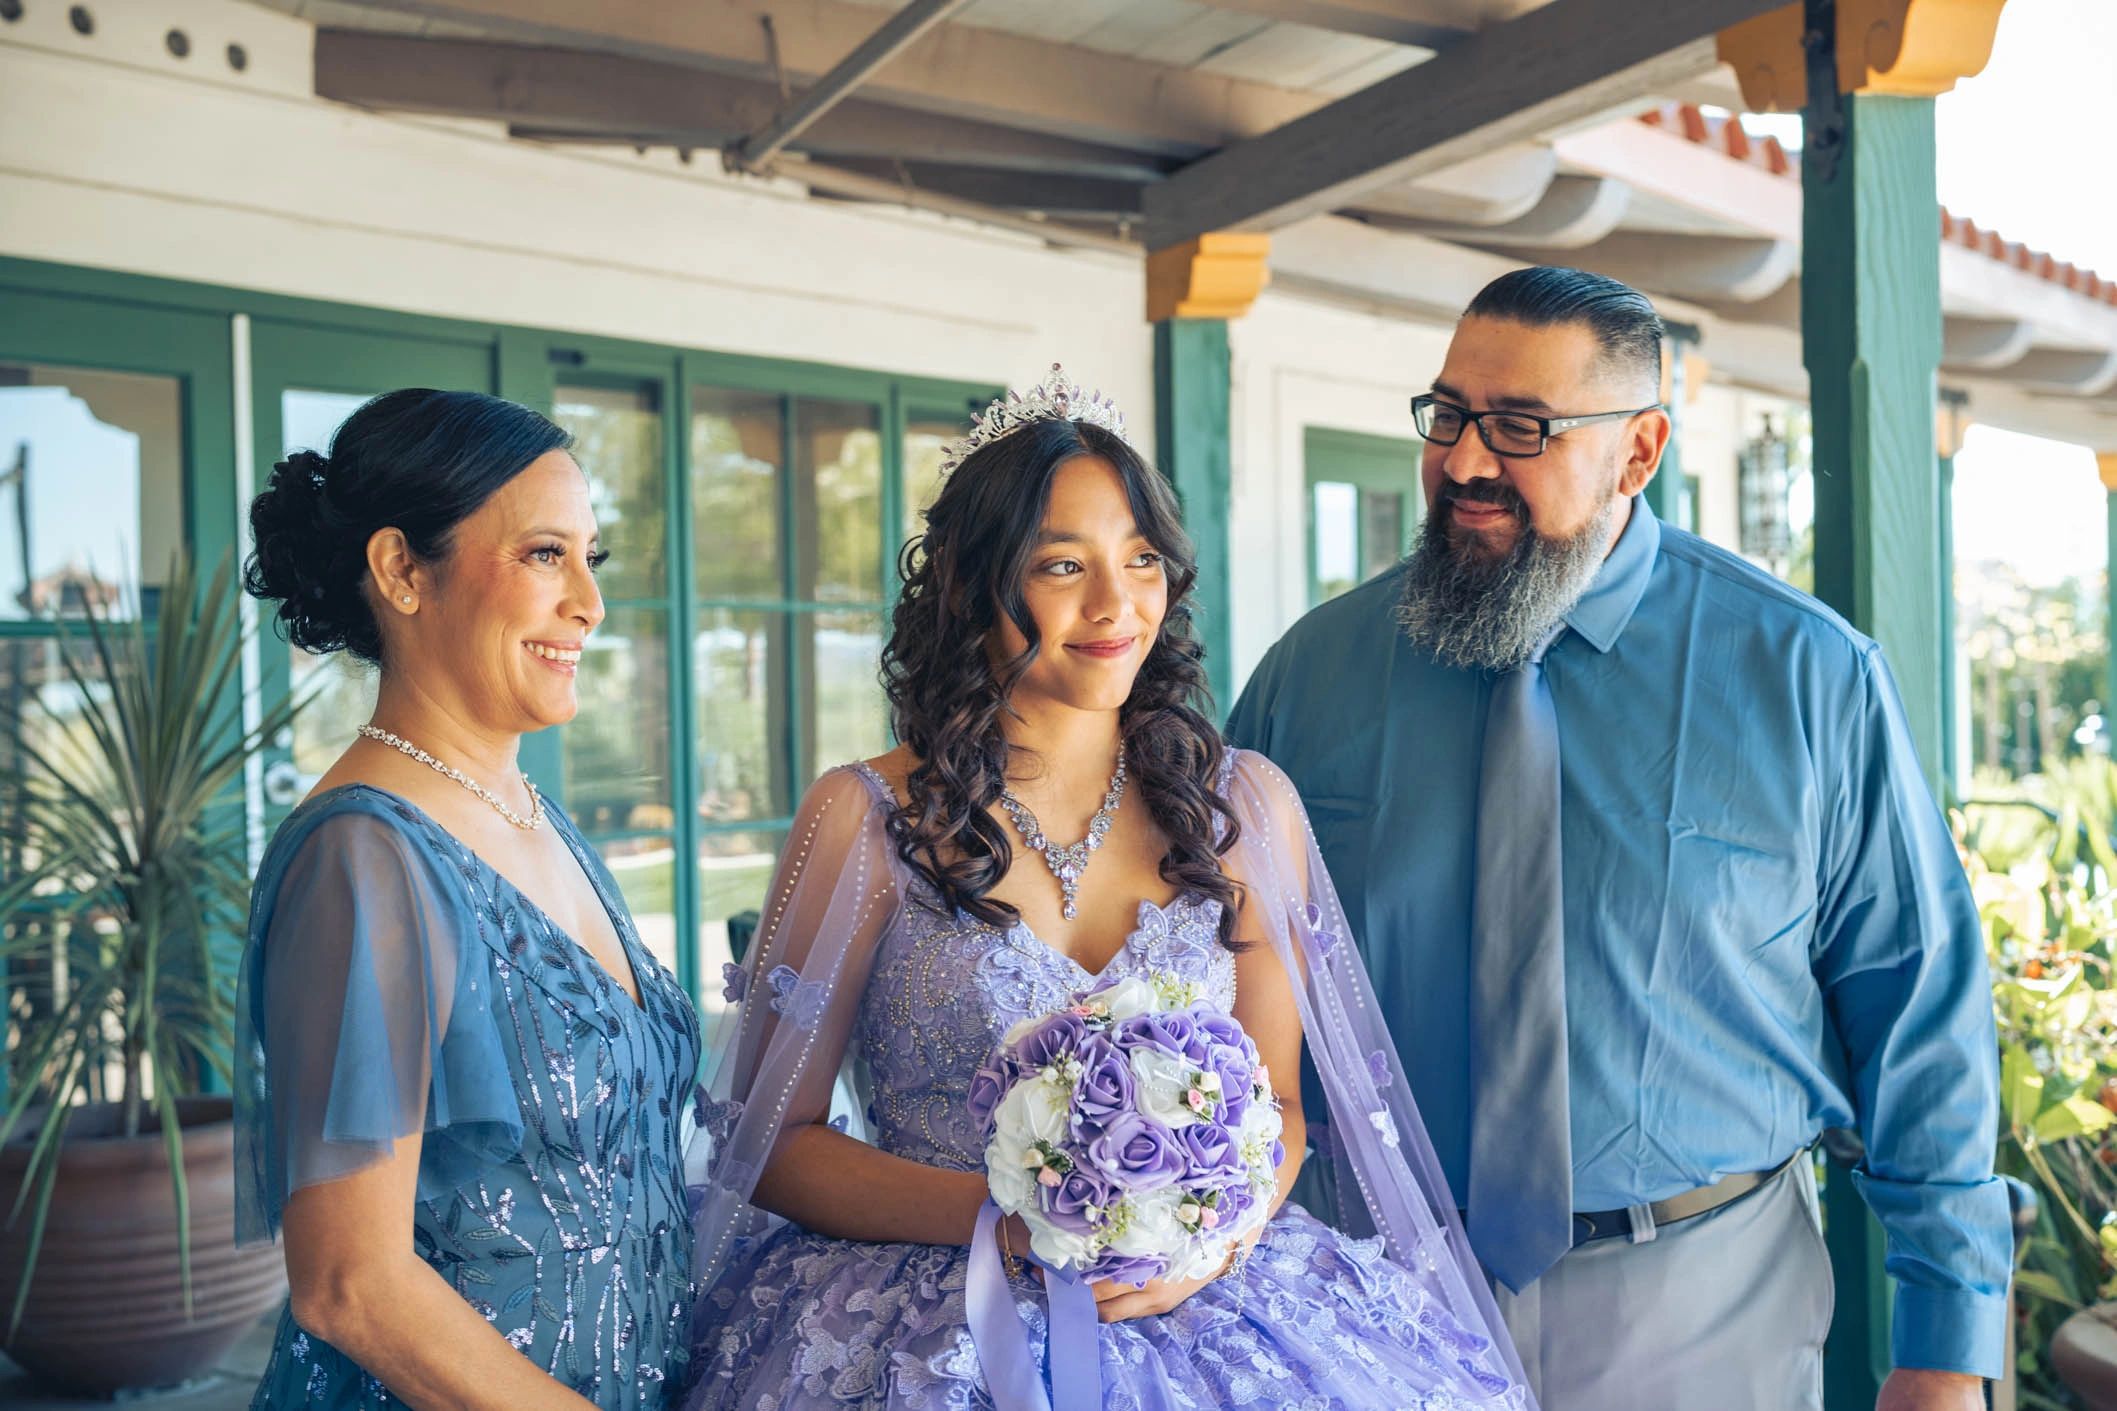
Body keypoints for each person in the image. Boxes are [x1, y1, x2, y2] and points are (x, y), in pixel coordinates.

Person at [1226, 267, 2008, 1411]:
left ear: (1637, 452)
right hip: (1367, 1293)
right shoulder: (1310, 675)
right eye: (1446, 416)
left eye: (1519, 427)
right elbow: (1208, 970)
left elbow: (1916, 1012)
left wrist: (1945, 1349)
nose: (1466, 462)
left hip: (1703, 1304)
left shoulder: (1808, 678)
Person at [680, 367, 1529, 1410]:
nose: (1113, 603)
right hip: (931, 1320)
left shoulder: (1243, 807)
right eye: (1059, 565)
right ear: (966, 585)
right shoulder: (861, 820)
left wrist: (1206, 1242)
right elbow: (770, 1143)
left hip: (1208, 1304)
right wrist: (1015, 1219)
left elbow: (1281, 1106)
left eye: (1139, 559)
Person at [235, 389, 701, 1409]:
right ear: (402, 569)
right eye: (545, 555)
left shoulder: (535, 813)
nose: (589, 601)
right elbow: (351, 1283)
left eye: (593, 557)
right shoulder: (367, 857)